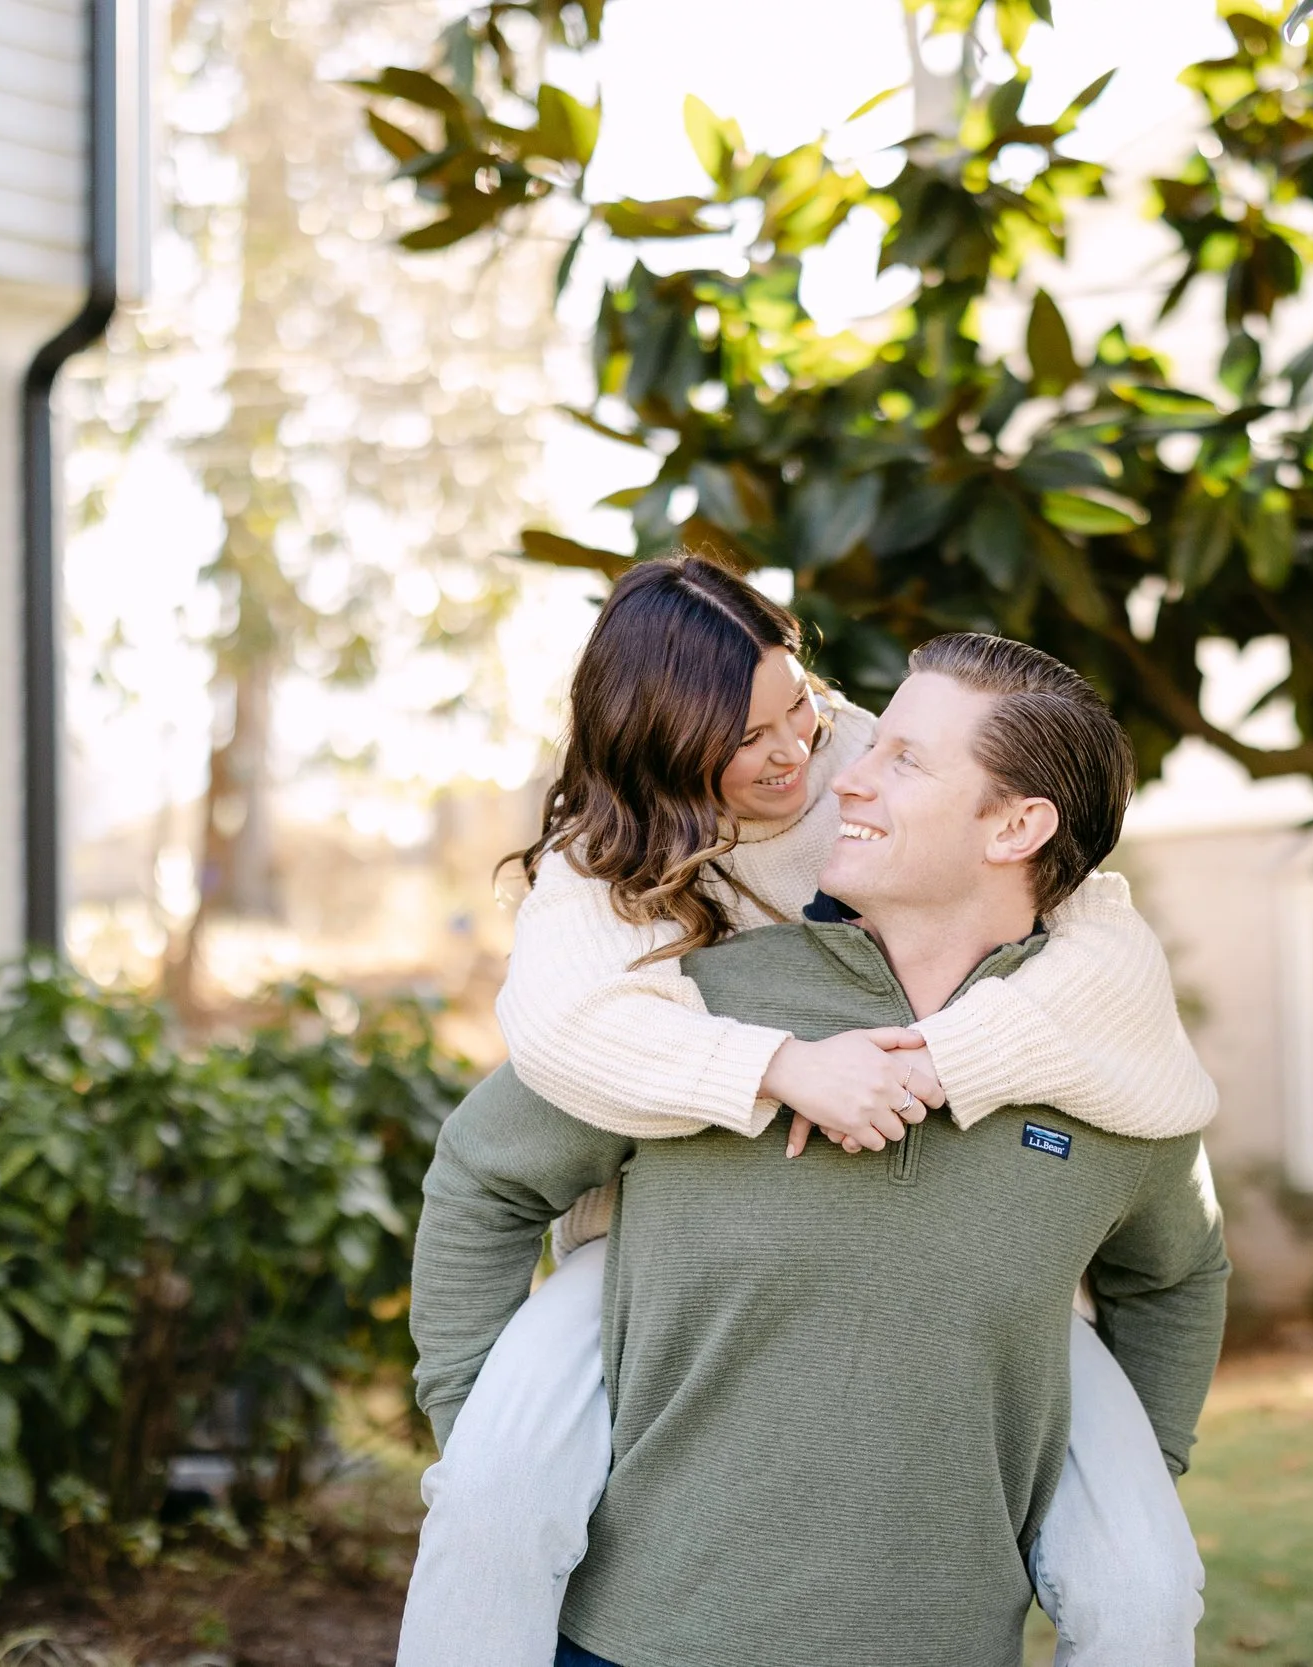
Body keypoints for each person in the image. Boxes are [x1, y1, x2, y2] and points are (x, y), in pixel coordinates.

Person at [397, 557, 1220, 1667]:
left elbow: (1104, 946)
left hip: (1011, 1309)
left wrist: (944, 1055)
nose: (817, 764)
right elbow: (552, 1052)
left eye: (805, 708)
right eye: (743, 741)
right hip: (636, 1234)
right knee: (490, 1500)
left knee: (1145, 1588)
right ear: (662, 758)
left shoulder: (869, 770)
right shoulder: (613, 890)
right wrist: (776, 1063)